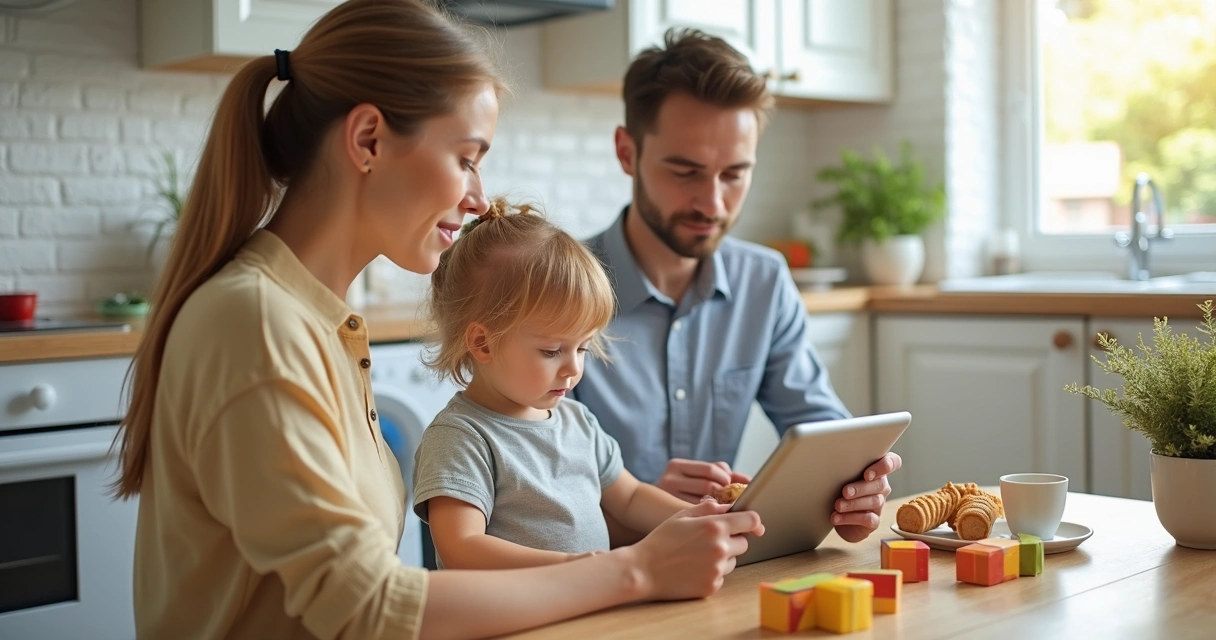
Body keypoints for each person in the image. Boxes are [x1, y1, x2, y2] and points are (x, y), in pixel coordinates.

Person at [111, 3, 763, 638]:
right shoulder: (256, 323)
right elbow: (368, 608)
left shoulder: (314, 320)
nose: (479, 198)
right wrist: (634, 572)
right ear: (368, 140)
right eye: (466, 158)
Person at [571, 30, 902, 544]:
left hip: (725, 569)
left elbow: (823, 434)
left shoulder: (763, 281)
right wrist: (640, 505)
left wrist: (853, 492)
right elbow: (526, 498)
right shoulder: (554, 289)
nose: (713, 203)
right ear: (626, 152)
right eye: (686, 171)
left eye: (734, 174)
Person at [411, 201, 736, 571]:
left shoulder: (578, 420)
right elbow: (462, 547)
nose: (574, 368)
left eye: (582, 348)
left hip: (589, 597)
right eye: (552, 351)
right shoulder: (460, 437)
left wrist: (701, 516)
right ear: (483, 343)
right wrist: (575, 570)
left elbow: (630, 497)